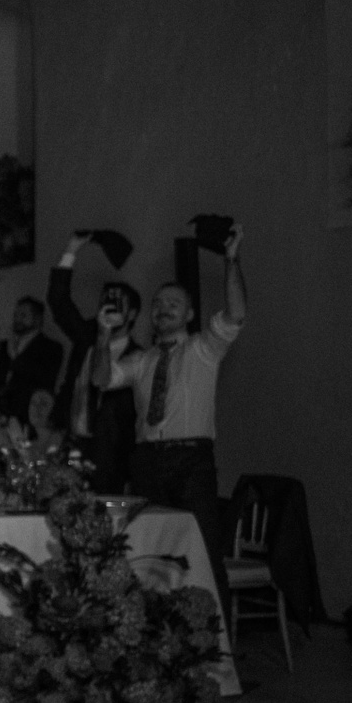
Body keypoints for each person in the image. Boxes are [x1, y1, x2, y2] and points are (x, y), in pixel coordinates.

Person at [96, 222, 246, 612]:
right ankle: (157, 636)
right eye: (158, 303)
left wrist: (231, 260)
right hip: (147, 461)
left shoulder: (203, 348)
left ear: (190, 313)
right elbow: (101, 379)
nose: (163, 308)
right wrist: (103, 335)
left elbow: (236, 313)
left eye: (173, 303)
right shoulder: (141, 360)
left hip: (191, 460)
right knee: (149, 553)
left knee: (204, 551)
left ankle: (215, 642)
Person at [48, 235, 143, 492]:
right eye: (105, 302)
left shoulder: (139, 357)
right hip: (72, 442)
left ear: (132, 314)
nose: (110, 309)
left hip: (110, 455)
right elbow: (60, 304)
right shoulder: (86, 338)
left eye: (117, 305)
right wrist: (71, 250)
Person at [0, 295, 64, 423]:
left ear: (37, 319)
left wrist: (14, 357)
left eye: (23, 315)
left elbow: (44, 379)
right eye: (16, 315)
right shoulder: (4, 346)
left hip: (29, 415)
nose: (17, 319)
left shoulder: (51, 347)